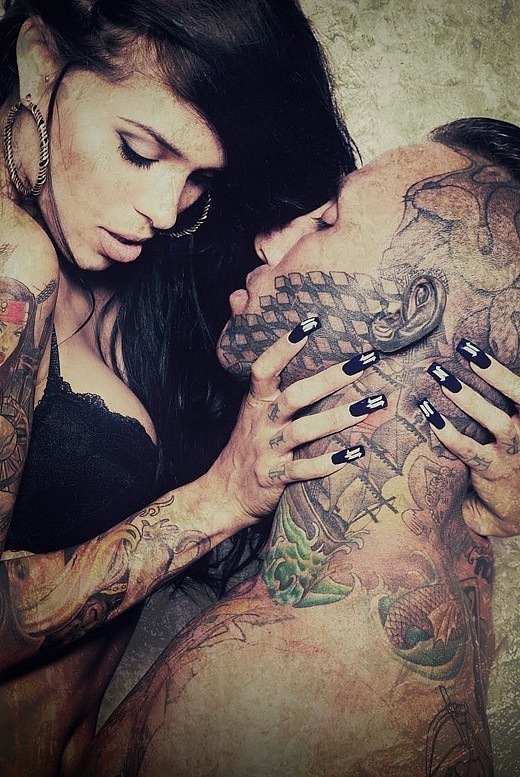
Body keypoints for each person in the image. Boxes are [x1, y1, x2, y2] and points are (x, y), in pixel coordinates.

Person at [81, 117, 520, 777]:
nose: (268, 239)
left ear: (405, 312)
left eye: (328, 221)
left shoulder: (250, 690)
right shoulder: (464, 568)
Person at [0, 1, 371, 774]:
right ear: (39, 60)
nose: (165, 210)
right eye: (139, 150)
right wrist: (219, 498)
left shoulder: (159, 266)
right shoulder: (14, 266)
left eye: (201, 176)